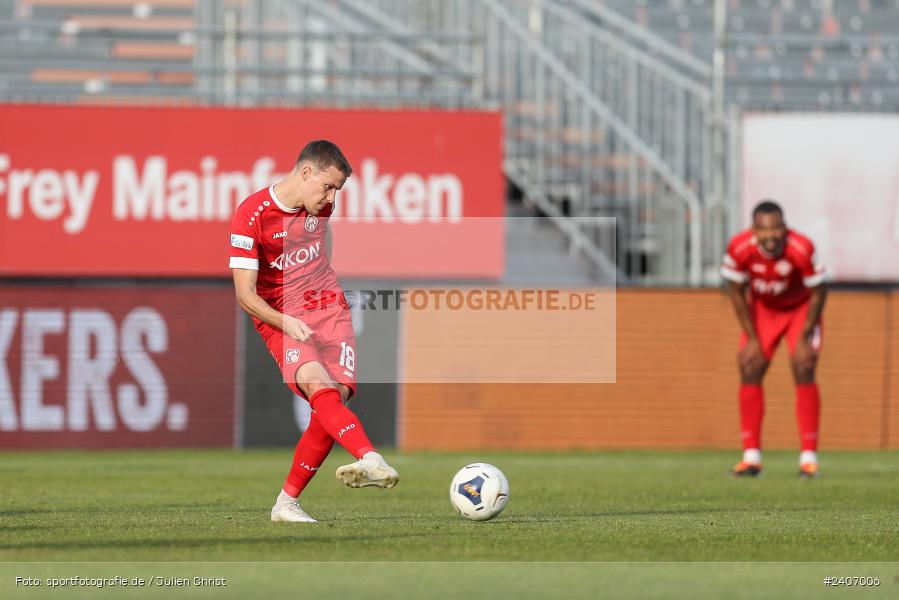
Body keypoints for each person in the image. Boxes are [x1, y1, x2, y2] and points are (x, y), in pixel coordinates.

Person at [229, 140, 398, 523]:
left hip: (328, 307)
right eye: (328, 186)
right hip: (281, 316)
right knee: (317, 385)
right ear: (306, 173)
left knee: (333, 401)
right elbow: (245, 294)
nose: (332, 197)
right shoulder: (252, 215)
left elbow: (323, 238)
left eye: (338, 189)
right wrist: (285, 321)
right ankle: (371, 458)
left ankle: (286, 504)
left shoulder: (321, 206)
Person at [721, 200, 827, 479]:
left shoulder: (802, 248)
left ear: (784, 228)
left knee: (803, 365)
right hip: (764, 311)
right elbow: (735, 292)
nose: (771, 236)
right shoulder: (738, 248)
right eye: (764, 230)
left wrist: (804, 335)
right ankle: (751, 458)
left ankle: (808, 459)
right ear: (753, 230)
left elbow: (819, 291)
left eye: (776, 229)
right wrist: (752, 338)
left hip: (800, 310)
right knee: (749, 366)